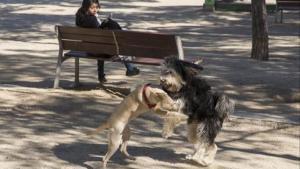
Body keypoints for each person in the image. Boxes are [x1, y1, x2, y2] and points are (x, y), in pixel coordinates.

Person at [75, 0, 140, 83]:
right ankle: (130, 68)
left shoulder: (79, 17)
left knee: (100, 45)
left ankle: (101, 76)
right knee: (116, 38)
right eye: (92, 8)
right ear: (86, 8)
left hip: (89, 49)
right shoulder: (92, 20)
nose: (95, 10)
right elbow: (100, 35)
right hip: (99, 50)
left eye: (97, 7)